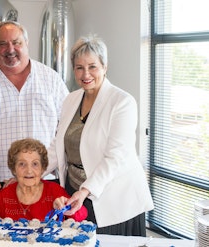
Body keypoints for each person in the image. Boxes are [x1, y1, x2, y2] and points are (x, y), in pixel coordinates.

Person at [44, 35, 154, 236]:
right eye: (79, 67)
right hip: (75, 192)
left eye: (92, 66)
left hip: (115, 198)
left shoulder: (122, 102)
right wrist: (31, 172)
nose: (86, 74)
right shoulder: (70, 99)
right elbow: (58, 146)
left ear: (105, 66)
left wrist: (86, 190)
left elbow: (115, 157)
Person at [0, 20, 69, 205]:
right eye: (2, 44)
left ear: (26, 44)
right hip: (2, 182)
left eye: (16, 42)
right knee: (2, 234)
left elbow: (66, 127)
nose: (10, 49)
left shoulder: (51, 79)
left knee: (47, 233)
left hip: (46, 180)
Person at [0, 138, 87, 225]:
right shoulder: (6, 195)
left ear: (43, 168)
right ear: (13, 169)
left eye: (35, 164)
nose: (29, 170)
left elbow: (81, 215)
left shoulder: (53, 190)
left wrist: (68, 204)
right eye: (22, 164)